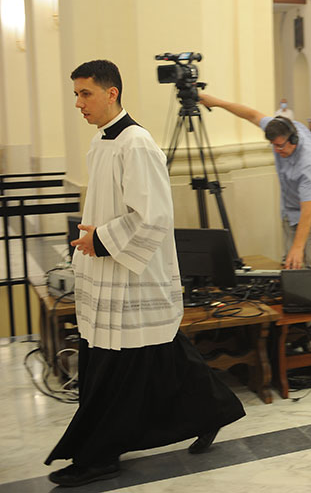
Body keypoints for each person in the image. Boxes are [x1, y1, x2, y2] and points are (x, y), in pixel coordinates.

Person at [46, 60, 244, 487]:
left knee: (121, 364)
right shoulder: (102, 141)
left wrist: (100, 240)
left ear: (112, 92)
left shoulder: (137, 143)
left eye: (86, 94)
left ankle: (98, 456)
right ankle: (213, 411)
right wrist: (92, 240)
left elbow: (153, 216)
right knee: (159, 353)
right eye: (76, 94)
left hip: (133, 274)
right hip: (110, 271)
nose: (79, 103)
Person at [198, 93, 311, 269]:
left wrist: (298, 248)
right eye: (273, 145)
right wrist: (218, 102)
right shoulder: (280, 128)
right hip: (292, 203)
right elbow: (252, 115)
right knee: (291, 262)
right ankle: (298, 295)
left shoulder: (308, 164)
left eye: (280, 145)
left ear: (294, 140)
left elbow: (308, 211)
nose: (277, 150)